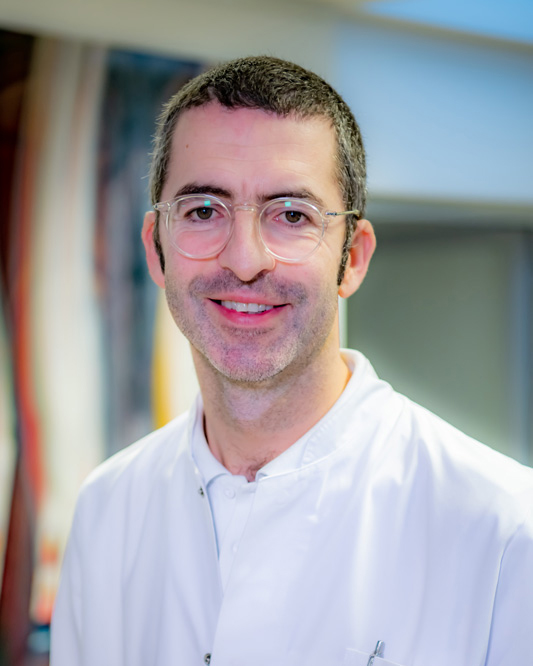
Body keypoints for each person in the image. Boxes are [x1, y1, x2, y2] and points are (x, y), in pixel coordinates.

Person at [50, 56, 533, 666]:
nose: (245, 260)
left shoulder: (505, 529)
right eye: (204, 211)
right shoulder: (106, 511)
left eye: (291, 215)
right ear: (155, 248)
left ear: (352, 258)